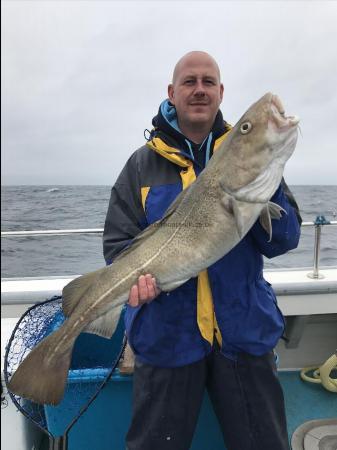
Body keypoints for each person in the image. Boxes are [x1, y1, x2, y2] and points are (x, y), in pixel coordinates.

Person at [103, 51, 301, 450]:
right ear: (171, 93)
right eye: (189, 82)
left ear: (220, 92)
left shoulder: (247, 162)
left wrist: (264, 186)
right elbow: (117, 248)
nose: (199, 90)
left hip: (244, 333)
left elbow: (285, 240)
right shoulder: (140, 168)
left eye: (208, 82)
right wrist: (136, 285)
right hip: (167, 336)